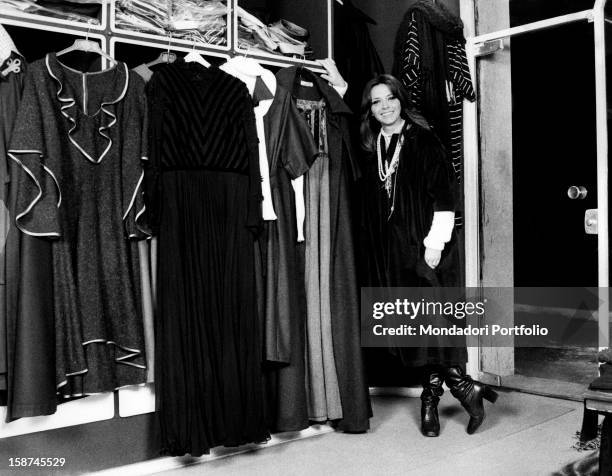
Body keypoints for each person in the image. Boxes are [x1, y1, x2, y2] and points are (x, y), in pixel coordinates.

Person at [359, 74, 498, 437]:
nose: (384, 106)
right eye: (376, 101)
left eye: (390, 98)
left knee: (435, 326)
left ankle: (437, 400)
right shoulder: (371, 143)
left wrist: (434, 246)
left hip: (429, 248)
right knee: (421, 329)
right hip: (395, 254)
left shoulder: (423, 140)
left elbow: (445, 199)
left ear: (400, 100)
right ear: (369, 109)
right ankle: (462, 390)